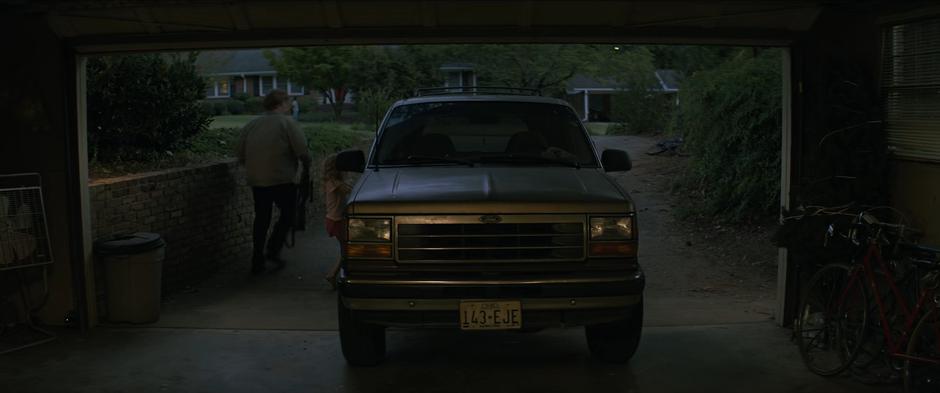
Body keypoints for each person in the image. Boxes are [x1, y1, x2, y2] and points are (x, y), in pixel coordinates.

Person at [236, 90, 312, 275]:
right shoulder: (287, 123)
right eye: (287, 102)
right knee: (288, 214)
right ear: (282, 104)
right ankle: (273, 248)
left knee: (261, 218)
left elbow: (240, 153)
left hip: (257, 180)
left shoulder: (252, 124)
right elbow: (302, 150)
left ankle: (257, 257)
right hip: (281, 179)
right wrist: (306, 167)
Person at [323, 153, 352, 289]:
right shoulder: (333, 182)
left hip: (335, 220)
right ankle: (333, 274)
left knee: (345, 249)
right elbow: (348, 190)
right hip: (336, 220)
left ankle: (336, 275)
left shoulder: (332, 181)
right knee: (346, 250)